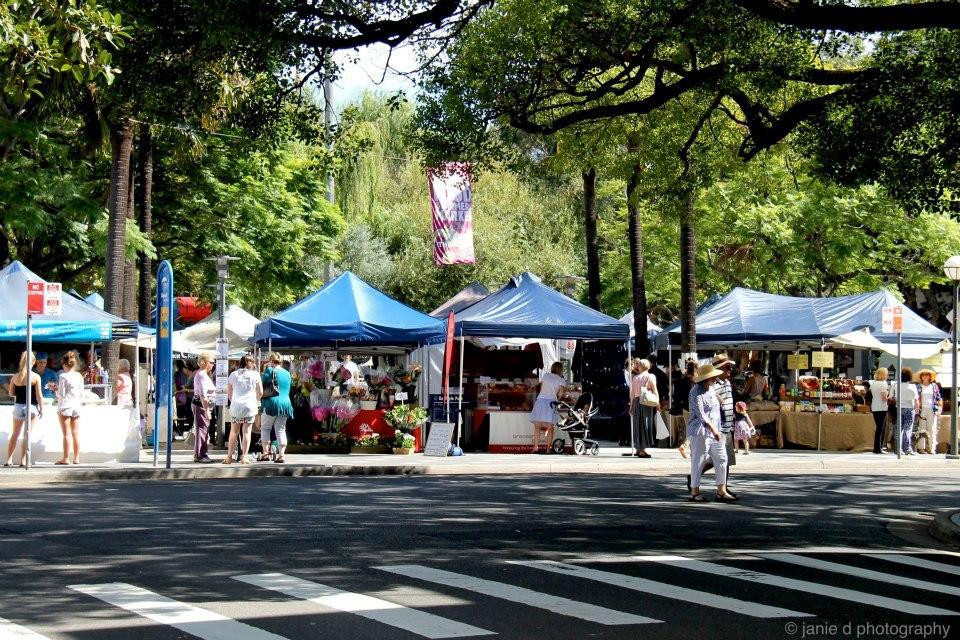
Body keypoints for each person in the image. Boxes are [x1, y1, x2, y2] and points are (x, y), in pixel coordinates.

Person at [686, 363, 735, 503]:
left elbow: (715, 407)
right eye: (713, 377)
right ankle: (695, 492)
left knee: (722, 458)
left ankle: (721, 490)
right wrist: (713, 430)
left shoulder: (711, 388)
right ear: (707, 378)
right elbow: (701, 415)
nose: (715, 378)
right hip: (700, 431)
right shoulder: (695, 392)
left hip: (715, 430)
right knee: (698, 461)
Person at [4, 352, 43, 467]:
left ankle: (9, 459)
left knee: (14, 434)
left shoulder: (15, 376)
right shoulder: (35, 377)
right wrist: (42, 408)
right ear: (34, 362)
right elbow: (39, 395)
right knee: (27, 434)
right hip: (31, 407)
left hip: (18, 406)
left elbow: (11, 393)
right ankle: (23, 460)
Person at [708, 353, 738, 496]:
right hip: (718, 426)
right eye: (727, 367)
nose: (729, 370)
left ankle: (724, 486)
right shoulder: (713, 384)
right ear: (719, 369)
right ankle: (722, 489)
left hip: (727, 424)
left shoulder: (727, 382)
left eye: (729, 367)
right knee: (721, 458)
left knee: (726, 459)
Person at [224, 354, 263, 465]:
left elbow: (229, 391)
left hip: (236, 406)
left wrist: (233, 401)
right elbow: (260, 392)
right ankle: (245, 457)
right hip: (249, 406)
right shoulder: (255, 375)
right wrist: (254, 400)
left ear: (240, 362)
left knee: (234, 431)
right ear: (252, 363)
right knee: (246, 431)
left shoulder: (233, 374)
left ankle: (229, 457)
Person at [260, 352, 293, 463]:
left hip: (271, 403)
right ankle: (281, 455)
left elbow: (261, 383)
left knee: (265, 428)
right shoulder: (287, 373)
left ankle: (265, 453)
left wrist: (263, 370)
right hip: (285, 404)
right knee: (281, 429)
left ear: (270, 361)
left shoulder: (270, 370)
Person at [530, 362, 566, 454]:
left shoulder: (546, 375)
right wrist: (557, 398)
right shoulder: (561, 380)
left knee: (537, 426)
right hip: (551, 403)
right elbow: (561, 393)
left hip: (541, 401)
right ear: (561, 370)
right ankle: (548, 449)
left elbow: (540, 386)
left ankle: (535, 447)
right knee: (550, 428)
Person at [55, 351, 84, 465]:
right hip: (76, 406)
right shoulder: (79, 376)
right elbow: (82, 394)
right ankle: (76, 458)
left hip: (65, 406)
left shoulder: (63, 376)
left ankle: (66, 458)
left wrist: (55, 390)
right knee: (76, 433)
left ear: (65, 364)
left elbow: (61, 395)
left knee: (66, 433)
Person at [627, 358, 658, 458]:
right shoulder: (651, 376)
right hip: (645, 402)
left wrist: (631, 406)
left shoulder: (635, 378)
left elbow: (632, 394)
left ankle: (637, 448)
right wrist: (657, 402)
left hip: (636, 402)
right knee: (645, 424)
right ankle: (643, 449)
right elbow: (654, 389)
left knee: (637, 425)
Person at [891, 366, 920, 455]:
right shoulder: (913, 386)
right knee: (908, 429)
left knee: (898, 429)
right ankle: (907, 448)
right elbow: (916, 400)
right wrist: (917, 409)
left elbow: (891, 397)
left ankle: (897, 449)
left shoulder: (895, 385)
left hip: (898, 407)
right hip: (910, 408)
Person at [192, 352, 215, 463]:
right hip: (201, 405)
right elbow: (202, 394)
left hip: (204, 405)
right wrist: (207, 410)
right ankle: (200, 454)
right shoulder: (202, 375)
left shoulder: (204, 374)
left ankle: (202, 453)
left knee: (203, 430)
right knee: (202, 430)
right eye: (211, 362)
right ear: (205, 363)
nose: (213, 364)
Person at [915, 369, 942, 454]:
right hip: (922, 409)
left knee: (932, 429)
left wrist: (939, 410)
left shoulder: (934, 386)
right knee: (921, 429)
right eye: (923, 375)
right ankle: (921, 448)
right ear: (921, 377)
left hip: (932, 409)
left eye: (927, 375)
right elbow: (916, 398)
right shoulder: (919, 386)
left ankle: (932, 448)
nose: (925, 376)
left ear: (930, 376)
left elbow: (938, 398)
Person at [868, 367, 891, 454]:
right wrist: (890, 398)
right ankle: (878, 448)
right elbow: (884, 398)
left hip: (875, 407)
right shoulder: (883, 384)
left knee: (879, 427)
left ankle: (878, 447)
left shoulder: (872, 383)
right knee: (881, 428)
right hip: (882, 407)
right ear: (883, 374)